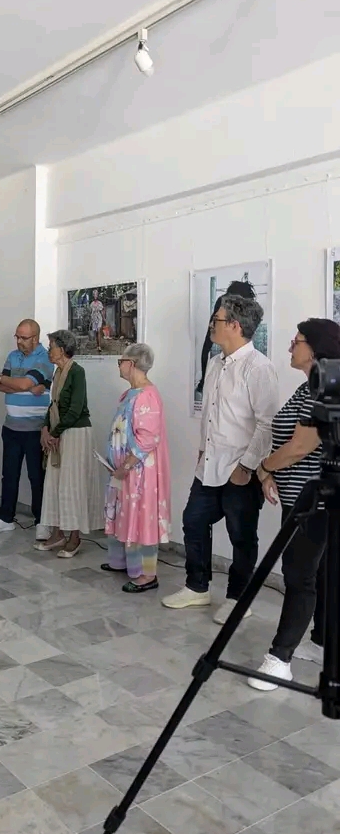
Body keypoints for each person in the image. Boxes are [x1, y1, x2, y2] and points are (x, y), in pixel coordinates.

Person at [163, 295, 280, 624]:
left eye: (216, 319)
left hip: (241, 469)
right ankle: (197, 587)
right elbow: (211, 413)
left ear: (235, 325)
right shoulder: (215, 362)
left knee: (241, 535)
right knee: (193, 521)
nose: (211, 325)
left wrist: (246, 466)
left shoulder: (259, 368)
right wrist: (203, 449)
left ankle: (238, 599)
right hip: (210, 464)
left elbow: (268, 424)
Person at [248, 319, 340, 690]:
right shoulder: (311, 386)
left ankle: (279, 658)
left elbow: (301, 445)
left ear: (316, 348)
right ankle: (320, 642)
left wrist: (264, 467)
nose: (290, 346)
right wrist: (270, 471)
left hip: (317, 501)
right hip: (304, 498)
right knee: (320, 573)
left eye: (296, 341)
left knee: (299, 575)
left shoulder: (326, 386)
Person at [103, 343, 171, 592]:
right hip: (125, 469)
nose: (119, 365)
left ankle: (146, 574)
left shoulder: (146, 396)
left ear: (131, 364)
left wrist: (127, 465)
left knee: (141, 516)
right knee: (124, 512)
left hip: (140, 471)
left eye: (120, 361)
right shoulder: (130, 393)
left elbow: (148, 438)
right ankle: (123, 562)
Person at [34, 329, 102, 557]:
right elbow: (53, 405)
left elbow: (75, 409)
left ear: (62, 349)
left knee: (73, 486)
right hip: (59, 432)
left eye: (51, 346)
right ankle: (57, 533)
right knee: (55, 484)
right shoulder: (58, 372)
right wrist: (45, 429)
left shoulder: (77, 372)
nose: (48, 350)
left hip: (76, 434)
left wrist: (54, 433)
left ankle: (74, 537)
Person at [0, 319, 53, 540]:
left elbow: (20, 384)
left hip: (35, 429)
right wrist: (20, 384)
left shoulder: (45, 357)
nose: (19, 341)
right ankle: (5, 518)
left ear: (35, 338)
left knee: (36, 476)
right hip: (11, 427)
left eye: (24, 338)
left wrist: (12, 381)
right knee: (9, 474)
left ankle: (42, 520)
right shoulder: (12, 356)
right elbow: (1, 386)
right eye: (17, 336)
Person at [196, 280, 255, 396]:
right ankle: (203, 382)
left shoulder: (259, 368)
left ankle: (203, 382)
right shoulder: (223, 301)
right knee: (208, 348)